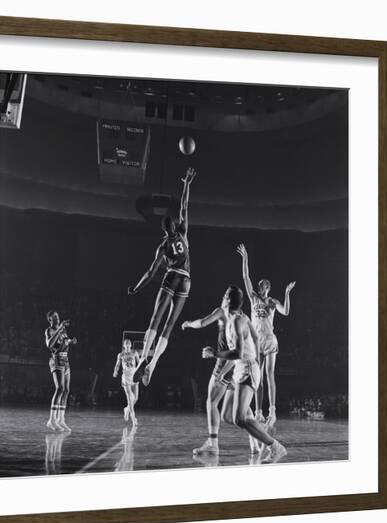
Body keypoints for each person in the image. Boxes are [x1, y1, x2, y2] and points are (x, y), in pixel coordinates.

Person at [186, 286, 287, 462]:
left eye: (224, 295)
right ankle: (261, 429)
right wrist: (254, 358)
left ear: (226, 300)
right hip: (242, 367)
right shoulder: (243, 317)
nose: (222, 297)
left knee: (239, 418)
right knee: (227, 415)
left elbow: (238, 353)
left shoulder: (235, 322)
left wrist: (215, 354)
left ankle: (275, 447)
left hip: (246, 368)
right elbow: (255, 338)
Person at [128, 167, 197, 386]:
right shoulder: (183, 233)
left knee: (155, 320)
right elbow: (184, 206)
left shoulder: (163, 246)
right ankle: (153, 364)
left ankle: (143, 359)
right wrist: (186, 183)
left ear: (163, 231)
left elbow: (150, 272)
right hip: (186, 280)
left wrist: (136, 288)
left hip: (171, 277)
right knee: (169, 325)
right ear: (175, 226)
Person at [237, 243, 296, 428]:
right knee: (257, 378)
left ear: (268, 288)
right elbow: (245, 276)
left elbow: (286, 312)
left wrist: (287, 293)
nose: (260, 287)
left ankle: (272, 412)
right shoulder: (253, 298)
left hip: (269, 340)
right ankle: (259, 412)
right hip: (256, 342)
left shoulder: (272, 302)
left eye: (263, 286)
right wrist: (245, 257)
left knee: (270, 375)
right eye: (259, 285)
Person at [44, 311, 77, 431]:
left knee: (66, 390)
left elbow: (64, 343)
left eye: (57, 316)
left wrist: (70, 341)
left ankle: (60, 419)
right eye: (54, 317)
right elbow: (50, 344)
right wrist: (60, 329)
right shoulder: (49, 330)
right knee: (59, 389)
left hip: (65, 359)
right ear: (50, 320)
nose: (57, 318)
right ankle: (51, 420)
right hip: (56, 359)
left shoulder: (63, 330)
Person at [113, 339, 141, 425]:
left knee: (135, 398)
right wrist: (115, 371)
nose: (128, 343)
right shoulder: (121, 354)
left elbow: (139, 363)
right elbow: (117, 364)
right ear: (124, 345)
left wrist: (142, 372)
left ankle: (127, 409)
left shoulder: (135, 353)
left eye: (129, 342)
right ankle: (133, 418)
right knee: (130, 398)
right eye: (126, 342)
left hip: (134, 377)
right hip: (126, 378)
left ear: (131, 345)